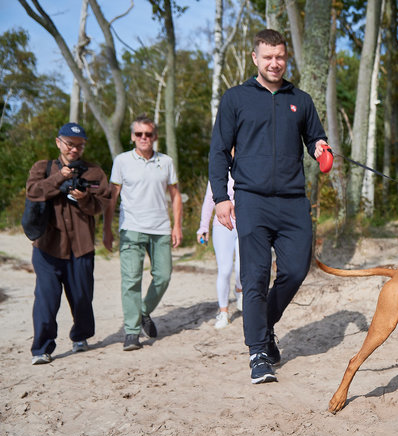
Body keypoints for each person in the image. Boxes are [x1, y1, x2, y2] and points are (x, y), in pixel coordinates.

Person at [209, 29, 328, 384]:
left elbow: (314, 137)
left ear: (285, 58)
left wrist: (320, 148)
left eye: (280, 57)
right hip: (253, 200)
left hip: (293, 201)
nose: (274, 63)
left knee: (295, 271)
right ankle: (259, 353)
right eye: (268, 57)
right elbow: (218, 151)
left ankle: (263, 324)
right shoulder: (235, 99)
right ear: (255, 58)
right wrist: (220, 198)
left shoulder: (301, 99)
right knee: (255, 276)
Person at [26, 122, 111, 365]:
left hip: (81, 247)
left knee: (82, 297)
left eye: (80, 146)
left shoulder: (94, 172)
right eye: (70, 144)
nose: (74, 150)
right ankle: (42, 348)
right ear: (58, 142)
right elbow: (33, 192)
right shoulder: (42, 168)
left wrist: (84, 199)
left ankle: (81, 337)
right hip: (47, 247)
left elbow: (101, 204)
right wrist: (58, 179)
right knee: (46, 299)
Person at [103, 114, 183, 351]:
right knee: (131, 281)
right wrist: (107, 229)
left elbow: (176, 195)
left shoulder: (166, 162)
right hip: (131, 229)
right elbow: (112, 196)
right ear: (132, 137)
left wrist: (177, 225)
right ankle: (131, 332)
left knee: (164, 275)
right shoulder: (122, 161)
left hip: (160, 228)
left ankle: (143, 311)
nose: (144, 138)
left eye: (148, 134)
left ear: (155, 136)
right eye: (139, 134)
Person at [197, 176, 243, 329]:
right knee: (225, 270)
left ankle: (239, 289)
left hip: (245, 223)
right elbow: (209, 200)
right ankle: (223, 312)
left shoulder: (247, 164)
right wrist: (203, 227)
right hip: (222, 225)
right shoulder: (219, 170)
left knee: (241, 267)